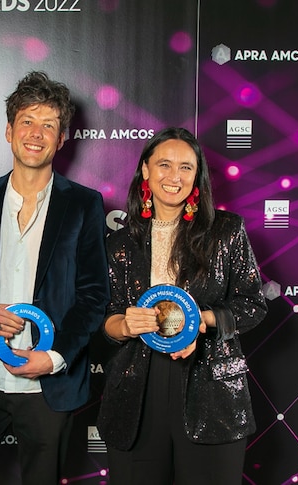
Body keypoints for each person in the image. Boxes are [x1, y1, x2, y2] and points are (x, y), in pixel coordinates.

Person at [0, 71, 109, 485]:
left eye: (49, 125)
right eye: (28, 122)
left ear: (62, 138)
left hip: (50, 387)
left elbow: (93, 296)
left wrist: (53, 359)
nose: (36, 134)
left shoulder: (85, 205)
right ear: (8, 130)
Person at [96, 127, 267, 484]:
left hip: (210, 387)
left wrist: (200, 322)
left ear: (197, 176)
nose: (174, 177)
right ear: (145, 170)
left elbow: (253, 304)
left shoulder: (226, 231)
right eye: (164, 164)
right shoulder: (119, 243)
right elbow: (105, 319)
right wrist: (125, 325)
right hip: (136, 391)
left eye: (186, 167)